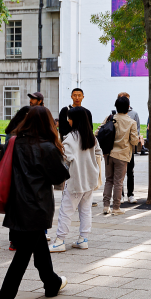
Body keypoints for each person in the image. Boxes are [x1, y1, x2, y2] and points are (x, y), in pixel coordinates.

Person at [0, 106, 69, 299]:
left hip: (17, 203)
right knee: (22, 256)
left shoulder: (15, 142)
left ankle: (51, 282)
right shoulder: (47, 147)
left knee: (38, 245)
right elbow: (59, 178)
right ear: (48, 124)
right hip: (36, 206)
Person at [50, 107, 102, 253]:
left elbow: (65, 160)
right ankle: (83, 239)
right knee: (85, 210)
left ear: (75, 119)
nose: (68, 121)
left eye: (70, 118)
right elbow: (99, 153)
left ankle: (60, 241)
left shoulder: (70, 139)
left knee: (66, 210)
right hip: (90, 180)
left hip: (75, 181)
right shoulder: (91, 137)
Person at [97, 96, 139, 215]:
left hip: (108, 154)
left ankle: (106, 206)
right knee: (118, 182)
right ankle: (116, 207)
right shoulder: (131, 122)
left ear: (116, 106)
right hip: (122, 155)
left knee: (108, 180)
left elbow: (97, 132)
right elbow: (134, 141)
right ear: (128, 107)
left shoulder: (109, 118)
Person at [118, 92, 141, 203]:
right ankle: (120, 194)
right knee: (119, 173)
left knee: (130, 171)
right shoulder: (114, 115)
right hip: (118, 148)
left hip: (129, 148)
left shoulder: (134, 114)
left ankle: (130, 194)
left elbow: (137, 130)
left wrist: (133, 141)